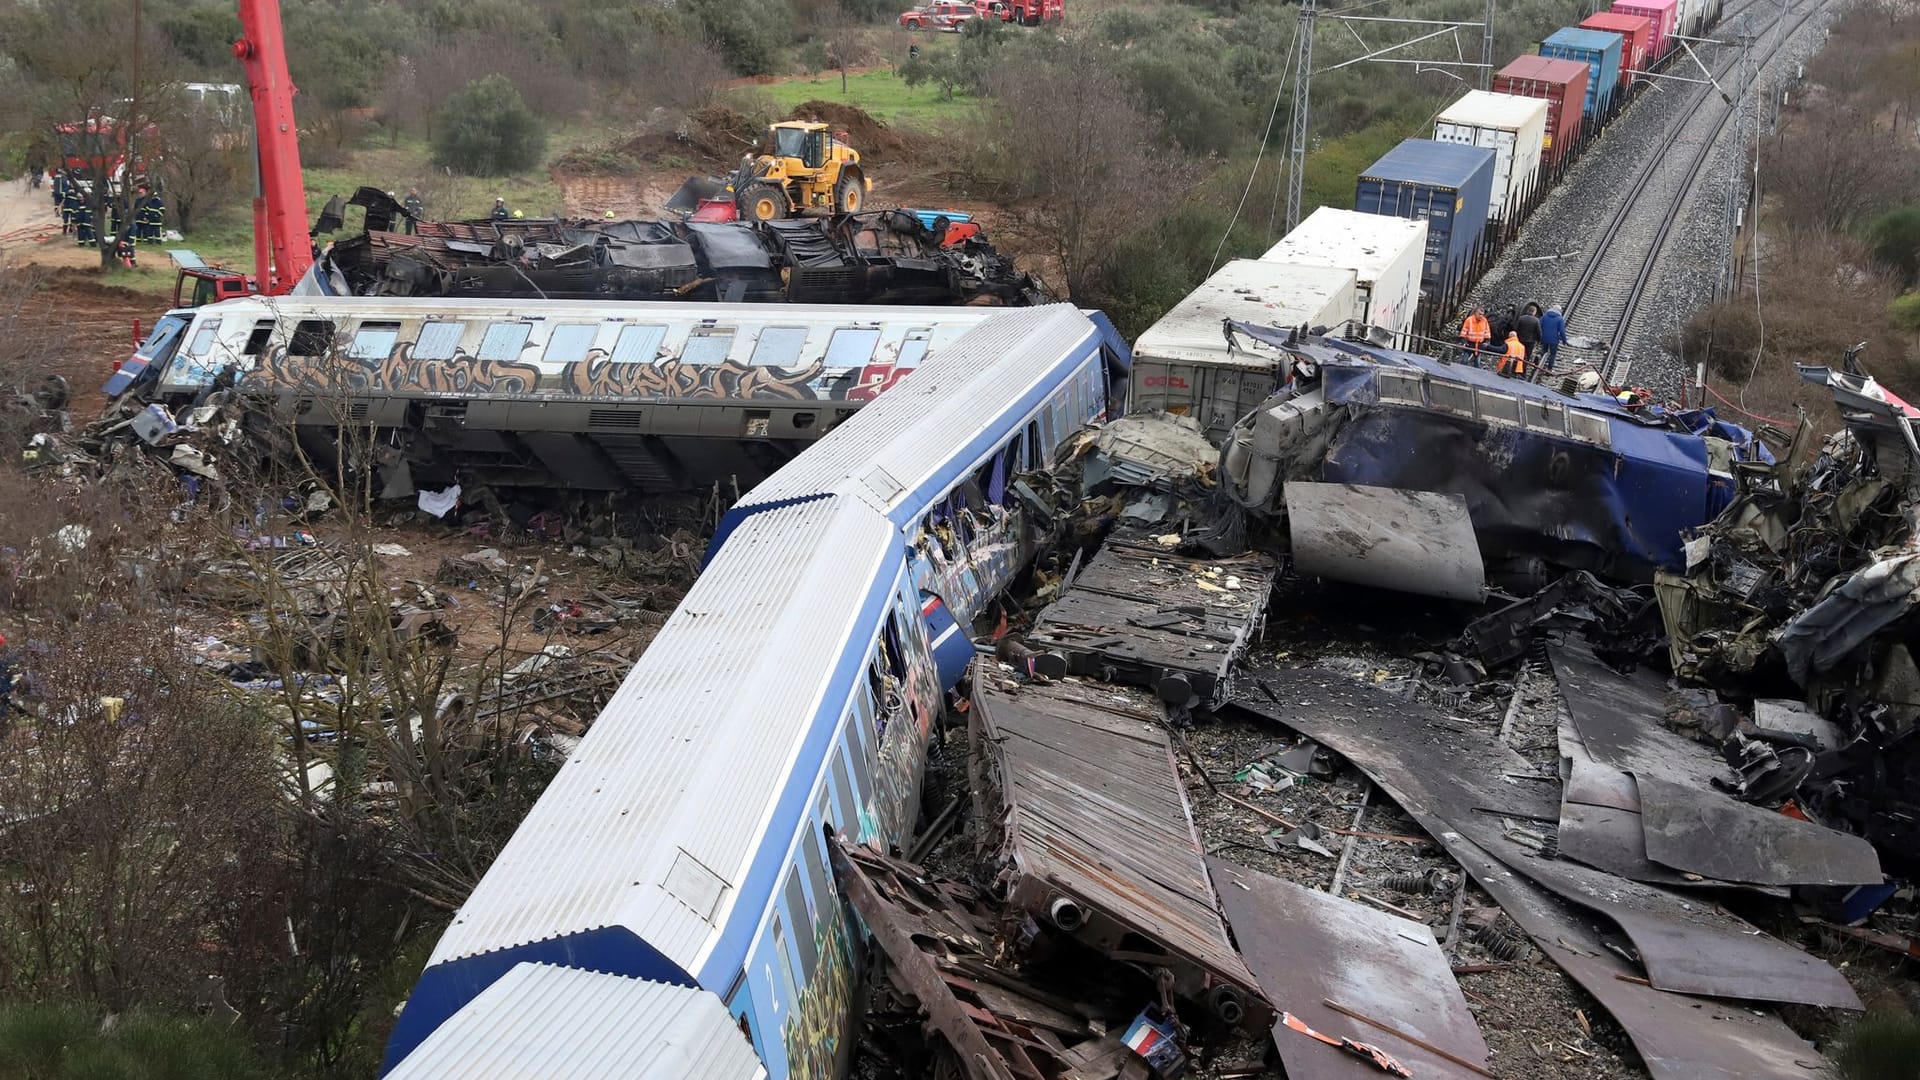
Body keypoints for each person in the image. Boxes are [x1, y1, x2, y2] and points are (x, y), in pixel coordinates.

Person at [1540, 305, 1566, 371]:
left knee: (1544, 350)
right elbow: (1562, 331)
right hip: (1554, 339)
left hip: (1544, 337)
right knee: (1552, 354)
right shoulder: (1560, 318)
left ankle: (1539, 357)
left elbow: (1539, 325)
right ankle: (1549, 369)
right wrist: (1564, 341)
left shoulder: (1545, 316)